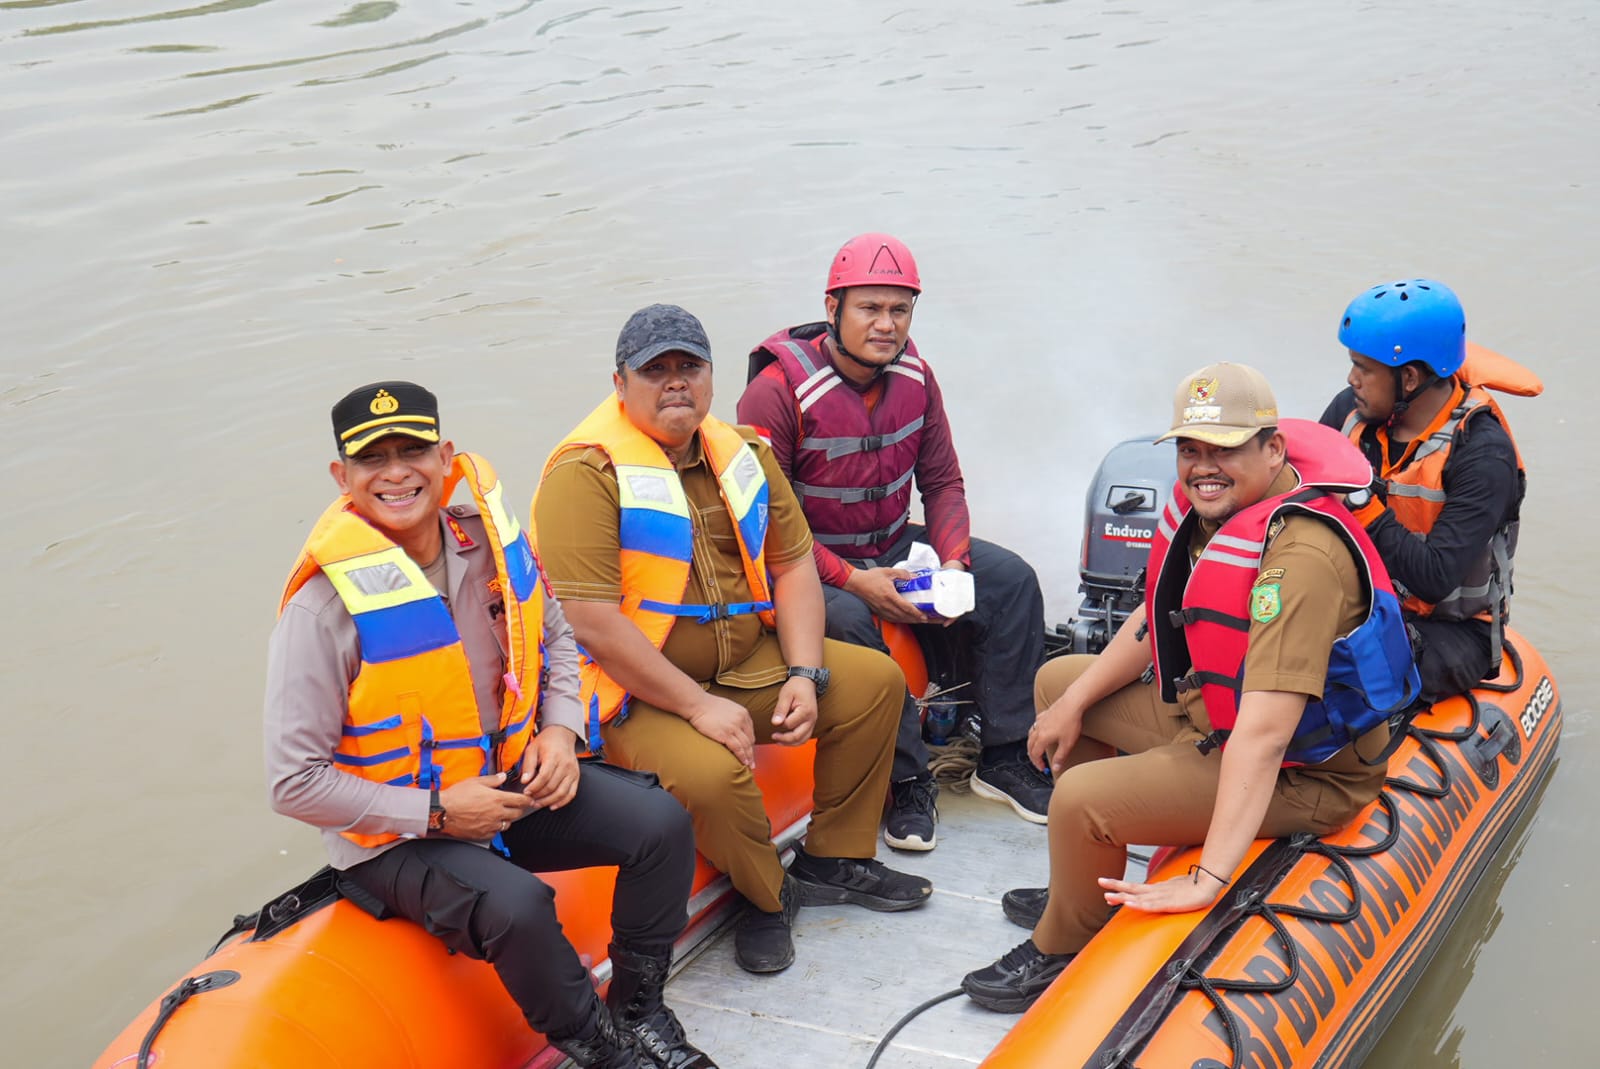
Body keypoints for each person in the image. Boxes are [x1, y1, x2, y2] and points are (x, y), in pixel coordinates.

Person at [266, 381, 715, 1069]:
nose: (395, 472)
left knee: (661, 825)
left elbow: (557, 634)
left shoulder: (489, 545)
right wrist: (440, 811)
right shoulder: (321, 609)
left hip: (503, 782)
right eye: (372, 458)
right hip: (395, 833)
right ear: (342, 477)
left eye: (412, 450)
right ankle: (604, 1051)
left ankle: (639, 1009)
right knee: (521, 906)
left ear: (445, 456)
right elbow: (294, 782)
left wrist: (561, 731)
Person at [961, 363, 1420, 1013]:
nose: (1204, 466)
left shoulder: (1301, 560)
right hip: (1211, 711)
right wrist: (1072, 703)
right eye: (1191, 449)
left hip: (1305, 769)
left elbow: (1263, 735)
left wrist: (1209, 878)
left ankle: (1066, 945)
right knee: (1059, 684)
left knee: (1082, 800)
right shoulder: (1215, 505)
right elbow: (1155, 617)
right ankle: (1084, 888)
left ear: (1273, 449)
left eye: (1225, 449)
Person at [531, 304, 932, 977]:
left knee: (875, 684)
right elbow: (594, 621)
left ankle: (835, 857)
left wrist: (804, 672)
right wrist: (696, 706)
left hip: (749, 660)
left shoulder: (741, 452)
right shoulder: (585, 475)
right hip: (642, 695)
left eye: (688, 366)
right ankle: (767, 898)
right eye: (654, 370)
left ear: (711, 377)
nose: (675, 382)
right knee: (715, 777)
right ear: (619, 383)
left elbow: (793, 563)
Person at [737, 233, 1051, 852]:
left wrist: (954, 564)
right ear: (833, 308)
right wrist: (854, 581)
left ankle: (1006, 755)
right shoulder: (774, 394)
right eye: (869, 308)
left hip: (886, 541)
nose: (886, 325)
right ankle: (908, 780)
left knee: (1010, 580)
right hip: (804, 564)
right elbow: (764, 521)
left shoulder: (917, 377)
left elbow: (942, 482)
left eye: (899, 310)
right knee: (853, 621)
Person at [1322, 278, 1536, 702]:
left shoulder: (1483, 454)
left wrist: (1362, 503)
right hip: (1363, 600)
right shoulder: (1351, 409)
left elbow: (1434, 578)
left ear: (1411, 378)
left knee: (1341, 675)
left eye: (1363, 368)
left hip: (1451, 631)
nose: (1352, 379)